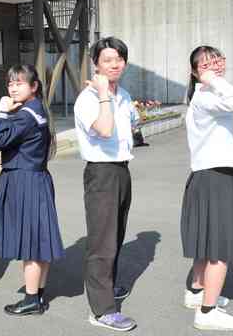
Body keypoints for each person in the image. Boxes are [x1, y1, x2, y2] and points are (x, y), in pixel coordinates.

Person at [181, 46, 233, 331]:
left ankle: (197, 293)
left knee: (206, 242)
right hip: (215, 176)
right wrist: (214, 79)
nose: (214, 65)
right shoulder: (206, 95)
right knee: (221, 246)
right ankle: (207, 312)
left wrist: (212, 80)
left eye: (216, 59)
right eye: (206, 63)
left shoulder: (203, 96)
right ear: (195, 71)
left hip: (207, 174)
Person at [0, 64, 64, 316]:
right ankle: (38, 294)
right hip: (37, 178)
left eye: (19, 83)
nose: (13, 87)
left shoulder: (24, 115)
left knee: (30, 242)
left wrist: (1, 112)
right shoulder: (37, 109)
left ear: (34, 87)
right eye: (10, 83)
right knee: (39, 239)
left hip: (23, 181)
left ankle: (32, 299)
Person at [73, 36, 138, 332]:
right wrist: (102, 94)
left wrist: (113, 96)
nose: (115, 64)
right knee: (102, 242)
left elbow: (131, 126)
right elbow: (105, 128)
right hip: (101, 173)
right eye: (108, 59)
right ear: (95, 63)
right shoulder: (89, 98)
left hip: (122, 171)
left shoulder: (123, 93)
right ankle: (101, 310)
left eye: (119, 58)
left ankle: (107, 287)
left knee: (116, 235)